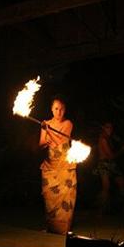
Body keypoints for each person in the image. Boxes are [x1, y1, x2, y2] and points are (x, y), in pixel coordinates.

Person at [39, 95, 77, 235]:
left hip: (65, 166)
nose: (58, 112)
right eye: (56, 108)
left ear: (64, 110)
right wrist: (45, 140)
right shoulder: (45, 124)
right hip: (49, 166)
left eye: (61, 109)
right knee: (49, 198)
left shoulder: (68, 123)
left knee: (65, 198)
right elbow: (41, 143)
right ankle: (51, 227)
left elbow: (60, 140)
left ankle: (63, 229)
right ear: (51, 109)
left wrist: (48, 131)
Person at [93, 121, 124, 215]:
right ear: (103, 128)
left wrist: (121, 142)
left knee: (123, 184)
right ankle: (100, 211)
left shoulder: (110, 137)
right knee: (106, 188)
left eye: (111, 127)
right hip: (104, 164)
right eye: (107, 127)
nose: (110, 129)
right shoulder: (103, 139)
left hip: (112, 164)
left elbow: (119, 143)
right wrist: (122, 150)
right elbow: (110, 156)